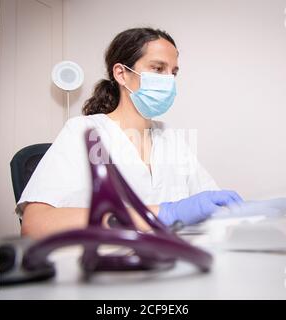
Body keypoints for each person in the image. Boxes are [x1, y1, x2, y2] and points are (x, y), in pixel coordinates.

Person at [17, 27, 244, 239]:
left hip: (171, 264)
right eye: (157, 68)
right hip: (109, 266)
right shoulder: (84, 131)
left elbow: (209, 203)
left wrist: (245, 215)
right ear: (121, 74)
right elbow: (35, 223)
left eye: (173, 73)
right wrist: (163, 214)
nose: (168, 80)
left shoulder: (171, 138)